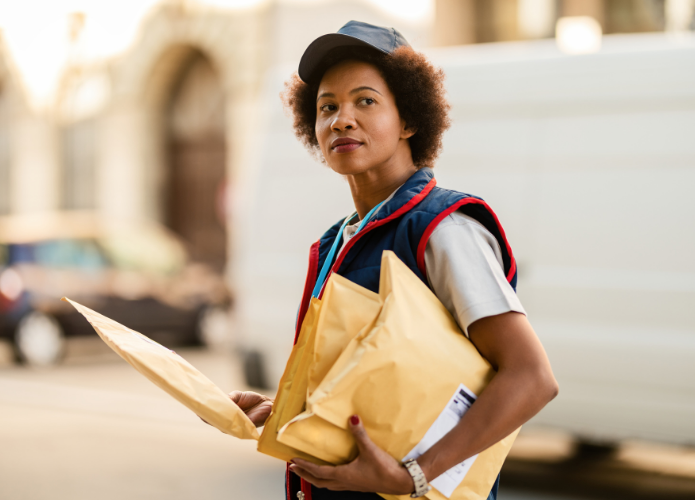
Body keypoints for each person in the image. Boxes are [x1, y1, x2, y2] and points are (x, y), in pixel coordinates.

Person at [228, 21, 559, 500]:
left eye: (365, 101)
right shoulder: (337, 241)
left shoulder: (443, 229)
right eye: (327, 107)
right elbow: (379, 379)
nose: (342, 119)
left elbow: (531, 378)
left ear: (408, 120)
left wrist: (414, 476)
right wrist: (280, 410)